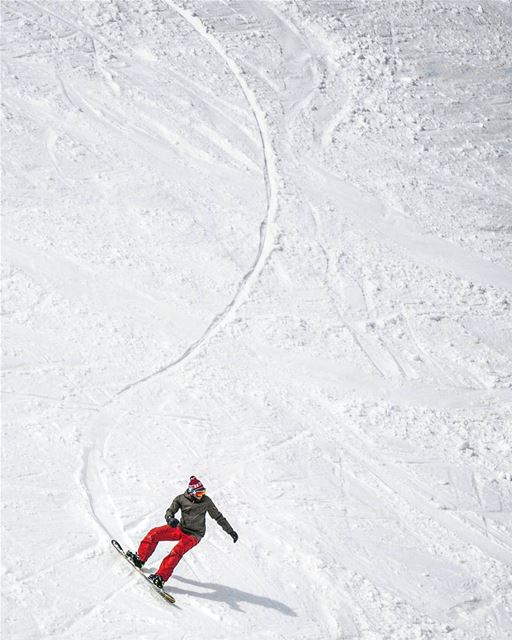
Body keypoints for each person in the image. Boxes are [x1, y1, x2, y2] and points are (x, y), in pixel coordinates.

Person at [126, 476, 238, 588]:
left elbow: (218, 517)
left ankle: (160, 578)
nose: (201, 496)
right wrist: (170, 519)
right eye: (199, 494)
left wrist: (230, 531)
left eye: (203, 492)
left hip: (194, 535)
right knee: (154, 533)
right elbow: (170, 511)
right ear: (191, 492)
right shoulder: (180, 499)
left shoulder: (206, 502)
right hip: (180, 528)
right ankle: (139, 559)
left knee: (177, 551)